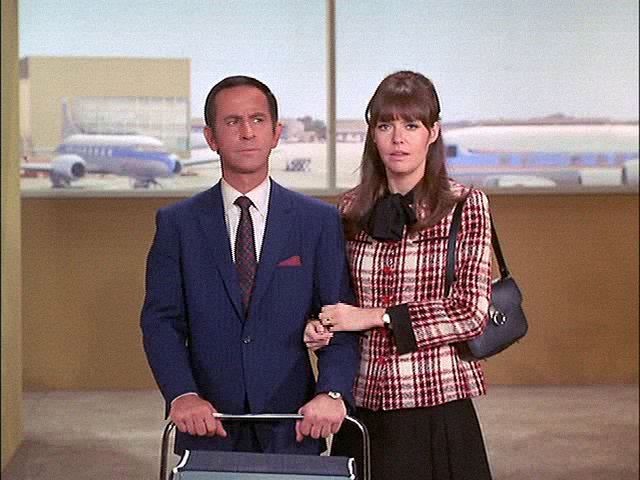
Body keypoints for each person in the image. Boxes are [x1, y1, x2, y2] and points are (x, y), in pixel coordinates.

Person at [141, 75, 359, 456]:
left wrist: (332, 391)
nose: (246, 133)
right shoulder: (178, 224)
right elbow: (161, 322)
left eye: (257, 120)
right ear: (211, 138)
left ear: (276, 133)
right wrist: (182, 394)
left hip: (295, 425)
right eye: (232, 122)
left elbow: (340, 318)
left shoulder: (317, 221)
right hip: (208, 426)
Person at [305, 71, 493, 479]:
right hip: (365, 403)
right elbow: (339, 301)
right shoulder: (350, 208)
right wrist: (321, 328)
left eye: (411, 125)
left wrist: (376, 315)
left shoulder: (466, 205)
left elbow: (470, 312)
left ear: (433, 132)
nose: (398, 138)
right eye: (385, 125)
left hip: (437, 402)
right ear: (373, 134)